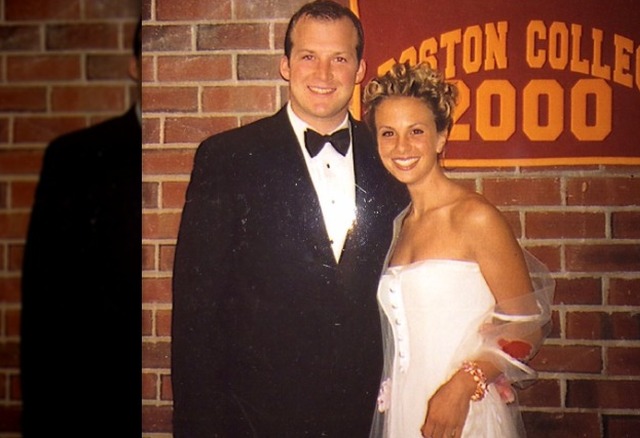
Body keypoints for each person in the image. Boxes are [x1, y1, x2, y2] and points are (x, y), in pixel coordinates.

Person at [170, 1, 408, 436]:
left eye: (339, 58)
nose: (323, 74)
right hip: (255, 420)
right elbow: (196, 312)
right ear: (285, 65)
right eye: (308, 57)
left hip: (367, 418)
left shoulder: (392, 160)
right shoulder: (228, 158)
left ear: (359, 69)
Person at [362, 61, 555, 438]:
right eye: (388, 133)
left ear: (441, 137)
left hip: (461, 410)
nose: (401, 147)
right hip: (406, 406)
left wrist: (464, 386)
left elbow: (531, 325)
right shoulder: (401, 225)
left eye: (416, 131)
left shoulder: (474, 216)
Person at [20, 20, 142, 436]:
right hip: (89, 400)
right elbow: (42, 297)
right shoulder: (74, 158)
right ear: (134, 66)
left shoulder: (210, 154)